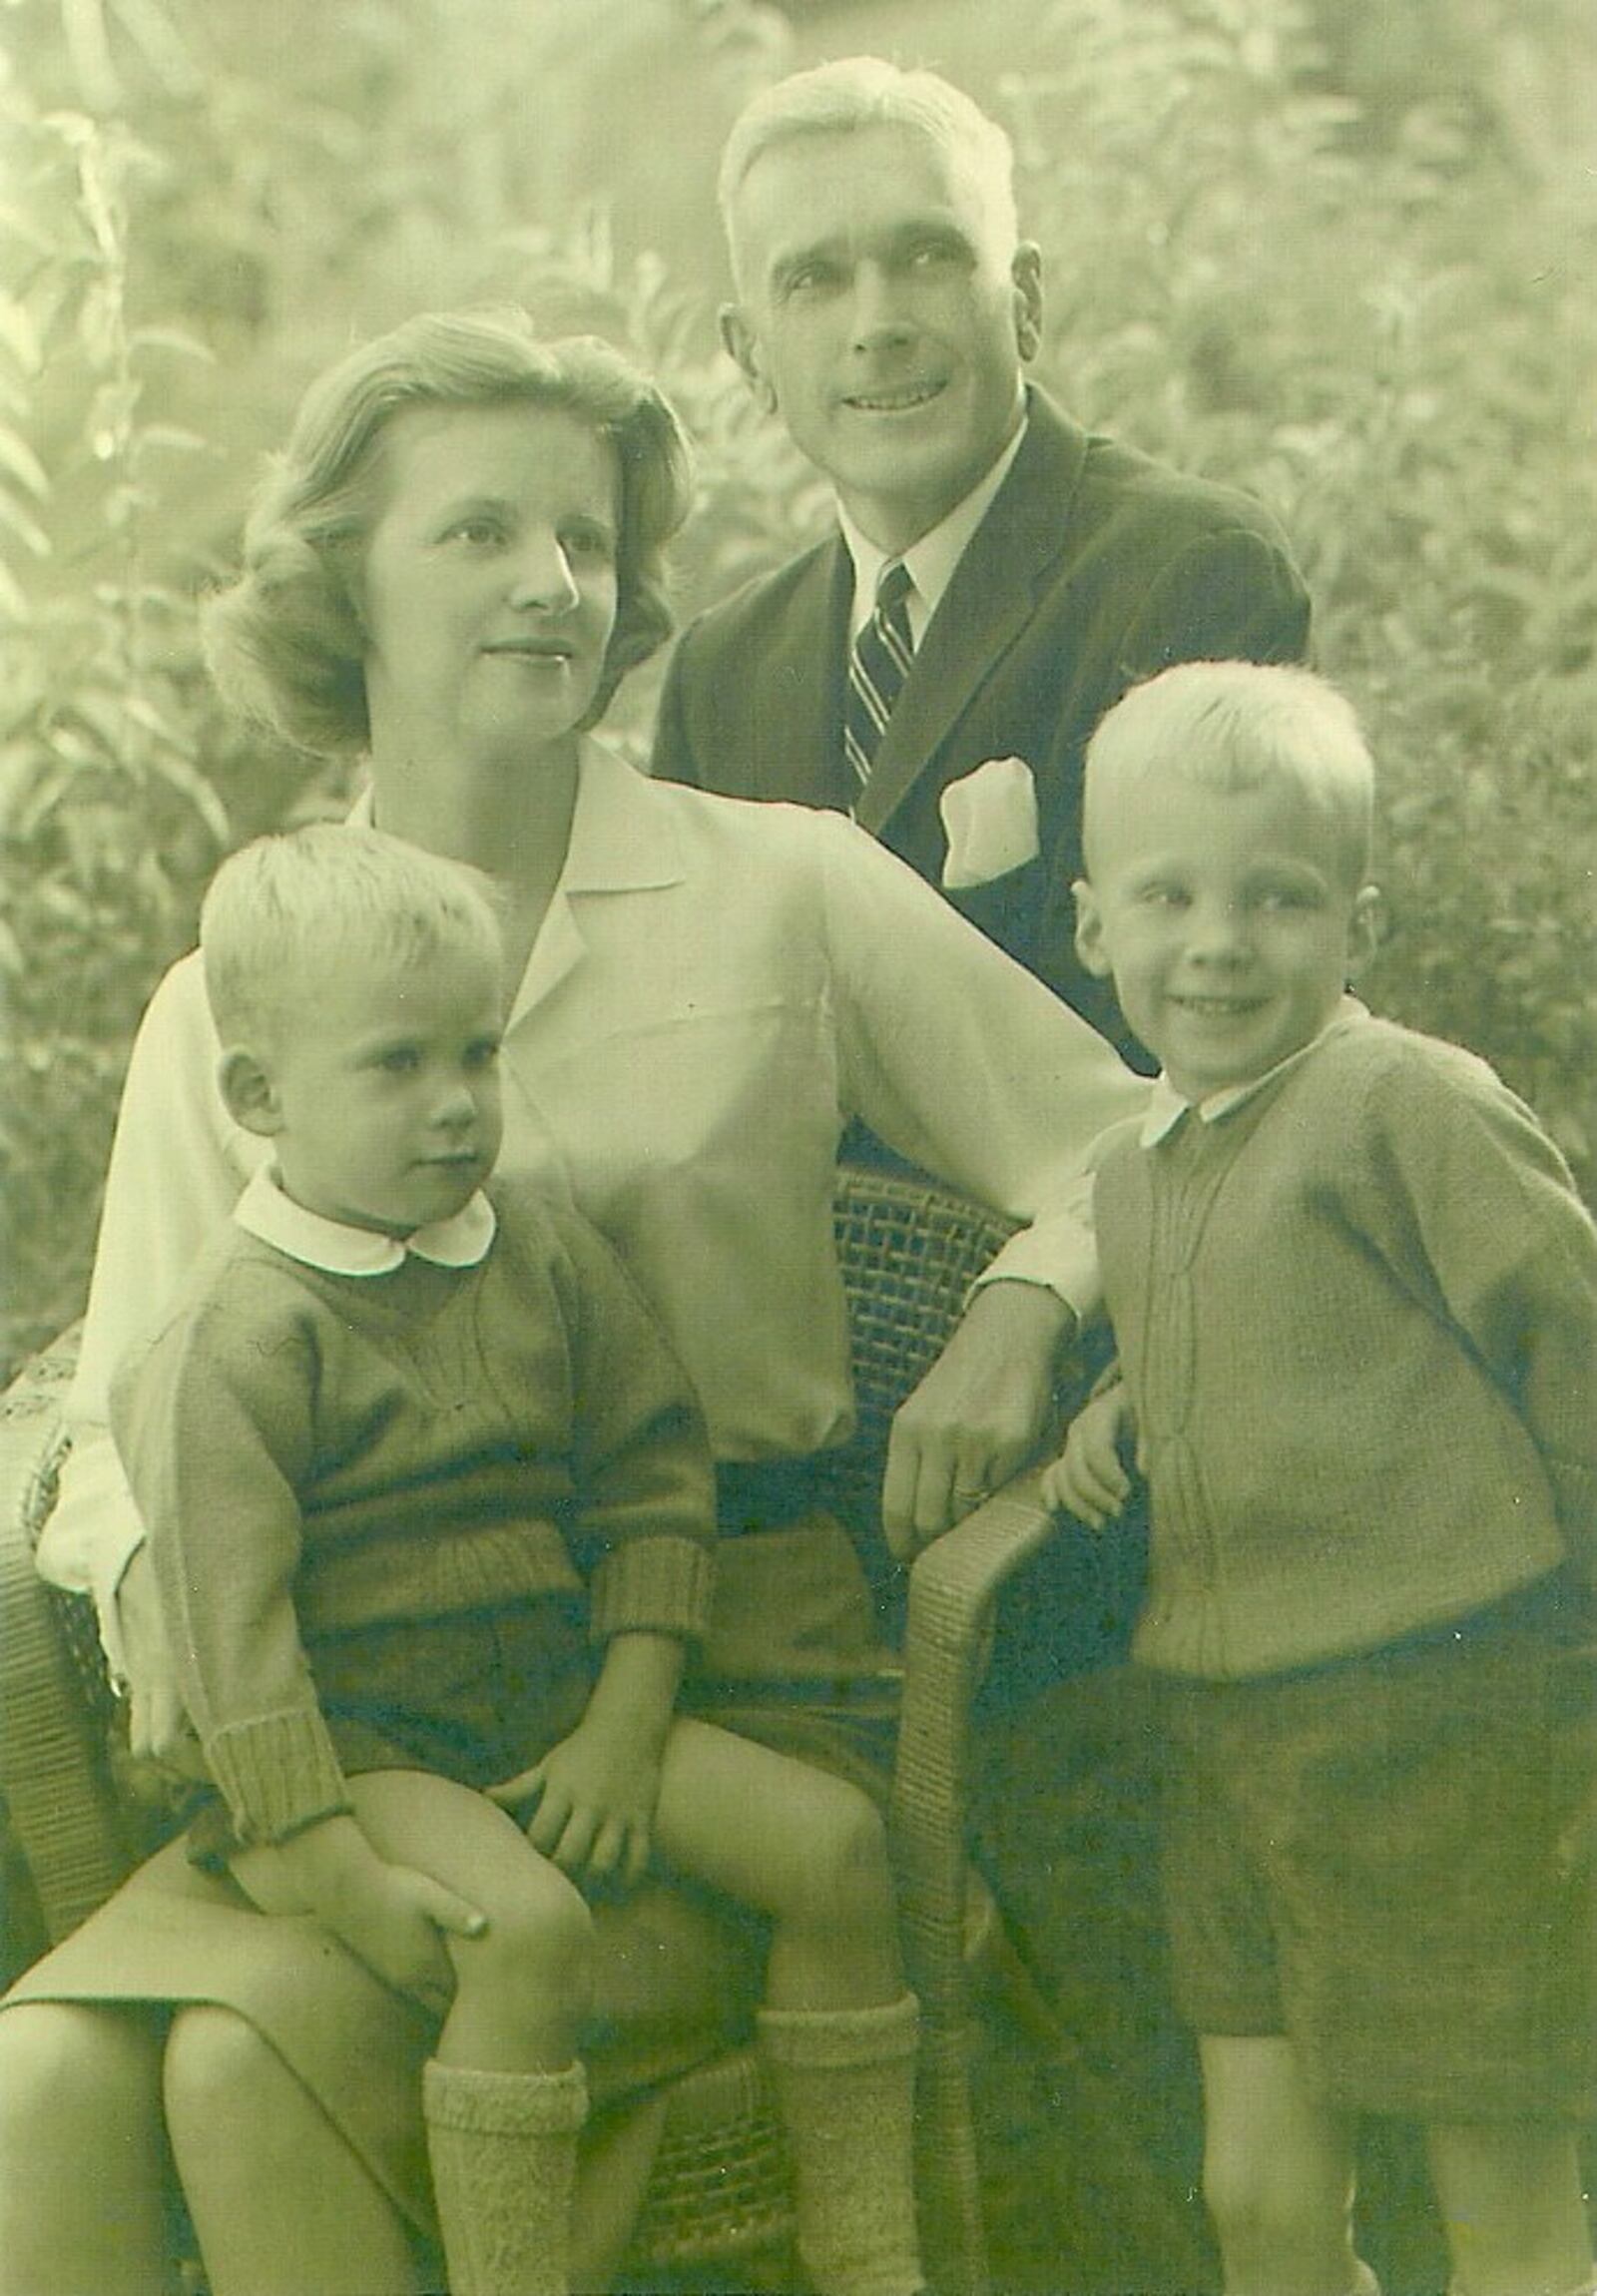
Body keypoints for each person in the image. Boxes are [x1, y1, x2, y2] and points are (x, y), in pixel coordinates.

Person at [0, 311, 1147, 2296]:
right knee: (36, 2085)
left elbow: (1135, 1138)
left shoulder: (778, 890)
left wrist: (1020, 1308)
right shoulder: (236, 996)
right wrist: (220, 1681)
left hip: (713, 1698)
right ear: (339, 580)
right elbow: (124, 1415)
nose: (551, 582)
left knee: (232, 2074)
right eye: (477, 536)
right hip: (368, 1731)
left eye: (587, 541)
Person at [101, 821, 928, 2296]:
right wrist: (330, 1859)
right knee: (520, 1927)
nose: (452, 1108)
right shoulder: (236, 1340)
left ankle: (868, 2253)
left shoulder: (537, 1254)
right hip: (377, 1743)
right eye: (396, 1066)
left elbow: (653, 1481)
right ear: (255, 1095)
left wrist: (623, 1723)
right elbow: (229, 1637)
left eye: (476, 1058)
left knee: (836, 1850)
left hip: (556, 1702)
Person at [1042, 659, 1597, 2296]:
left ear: (1358, 921)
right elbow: (1255, 1323)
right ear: (1091, 929)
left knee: (1496, 2172)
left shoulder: (1403, 1103)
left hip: (1438, 1709)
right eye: (1170, 895)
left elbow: (1567, 1343)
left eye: (1277, 897)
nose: (1218, 940)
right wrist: (1126, 1406)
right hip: (1225, 1726)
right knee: (1259, 2200)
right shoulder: (1134, 1166)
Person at [651, 54, 1313, 1051]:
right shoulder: (721, 674)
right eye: (815, 280)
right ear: (750, 357)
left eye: (927, 256)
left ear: (1026, 300)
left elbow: (1204, 1041)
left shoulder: (1186, 573)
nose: (878, 326)